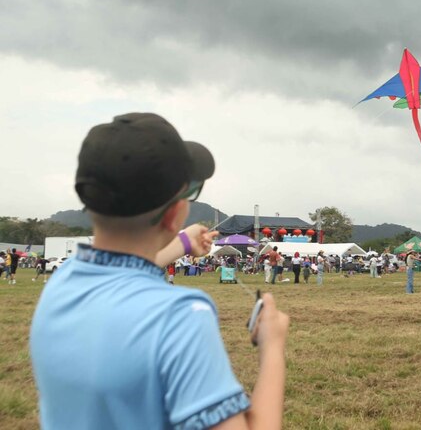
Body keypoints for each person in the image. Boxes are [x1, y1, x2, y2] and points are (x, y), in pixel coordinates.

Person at [29, 112, 289, 430]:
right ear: (174, 212)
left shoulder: (62, 281)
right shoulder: (180, 316)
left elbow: (125, 272)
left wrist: (183, 242)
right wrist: (273, 348)